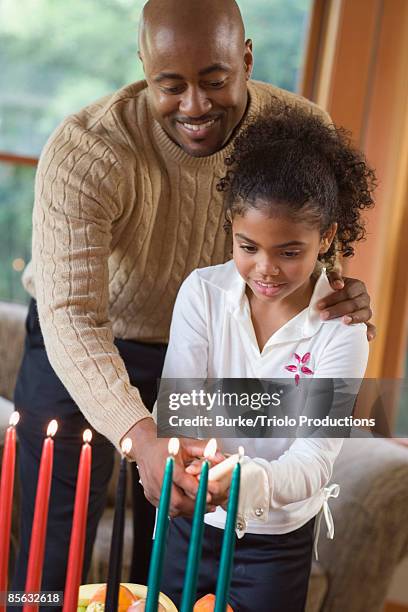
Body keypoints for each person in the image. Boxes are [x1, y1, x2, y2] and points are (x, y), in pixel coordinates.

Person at [12, 0, 375, 598]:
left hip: (204, 348)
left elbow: (306, 240)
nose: (195, 106)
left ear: (247, 58)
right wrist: (137, 433)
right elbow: (71, 315)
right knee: (51, 553)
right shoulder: (86, 150)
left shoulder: (295, 130)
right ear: (143, 67)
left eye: (215, 80)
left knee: (161, 551)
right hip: (85, 343)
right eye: (170, 85)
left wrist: (339, 294)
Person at [159, 103, 375, 611]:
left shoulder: (342, 331)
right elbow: (180, 413)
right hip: (191, 525)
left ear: (325, 239)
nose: (266, 269)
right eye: (247, 246)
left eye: (290, 251)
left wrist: (246, 479)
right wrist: (196, 474)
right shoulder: (202, 294)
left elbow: (314, 459)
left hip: (276, 541)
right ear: (232, 228)